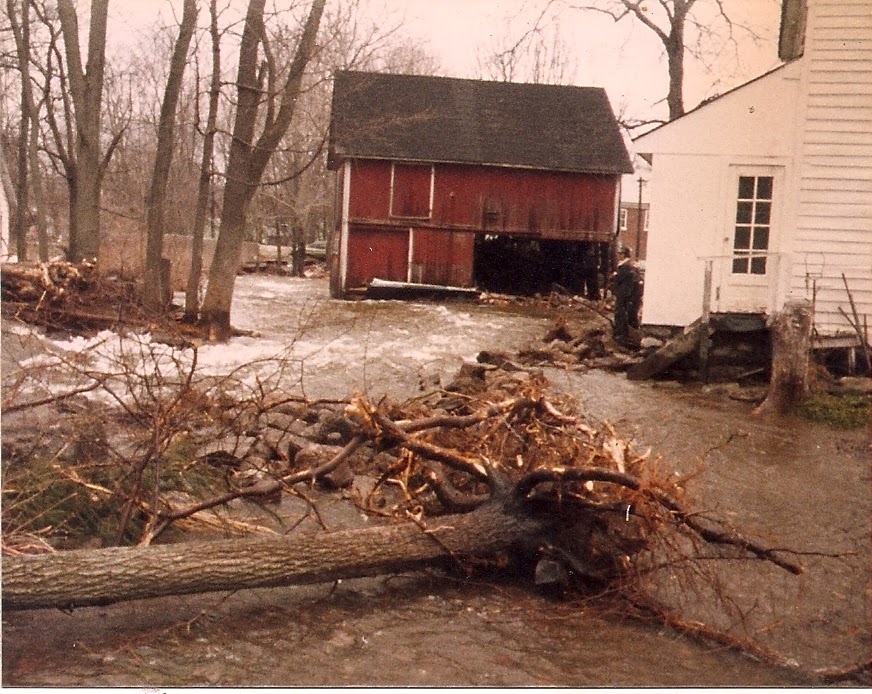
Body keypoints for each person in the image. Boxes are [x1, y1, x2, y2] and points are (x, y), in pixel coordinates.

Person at [612, 247, 643, 346]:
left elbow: (618, 279)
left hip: (623, 293)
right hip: (626, 293)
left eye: (621, 253)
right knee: (624, 312)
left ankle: (620, 333)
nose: (619, 255)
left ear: (624, 254)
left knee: (619, 311)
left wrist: (614, 277)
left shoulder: (625, 266)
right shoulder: (629, 266)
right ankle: (623, 332)